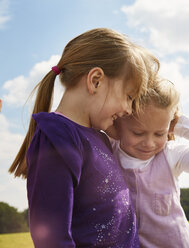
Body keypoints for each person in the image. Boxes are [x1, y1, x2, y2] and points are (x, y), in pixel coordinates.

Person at [8, 28, 159, 248]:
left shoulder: (100, 137)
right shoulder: (58, 137)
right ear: (96, 80)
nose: (128, 110)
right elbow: (51, 238)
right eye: (128, 97)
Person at [108, 79, 189, 247]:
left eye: (159, 134)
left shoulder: (170, 154)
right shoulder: (107, 150)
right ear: (118, 121)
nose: (149, 143)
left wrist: (177, 122)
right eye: (138, 133)